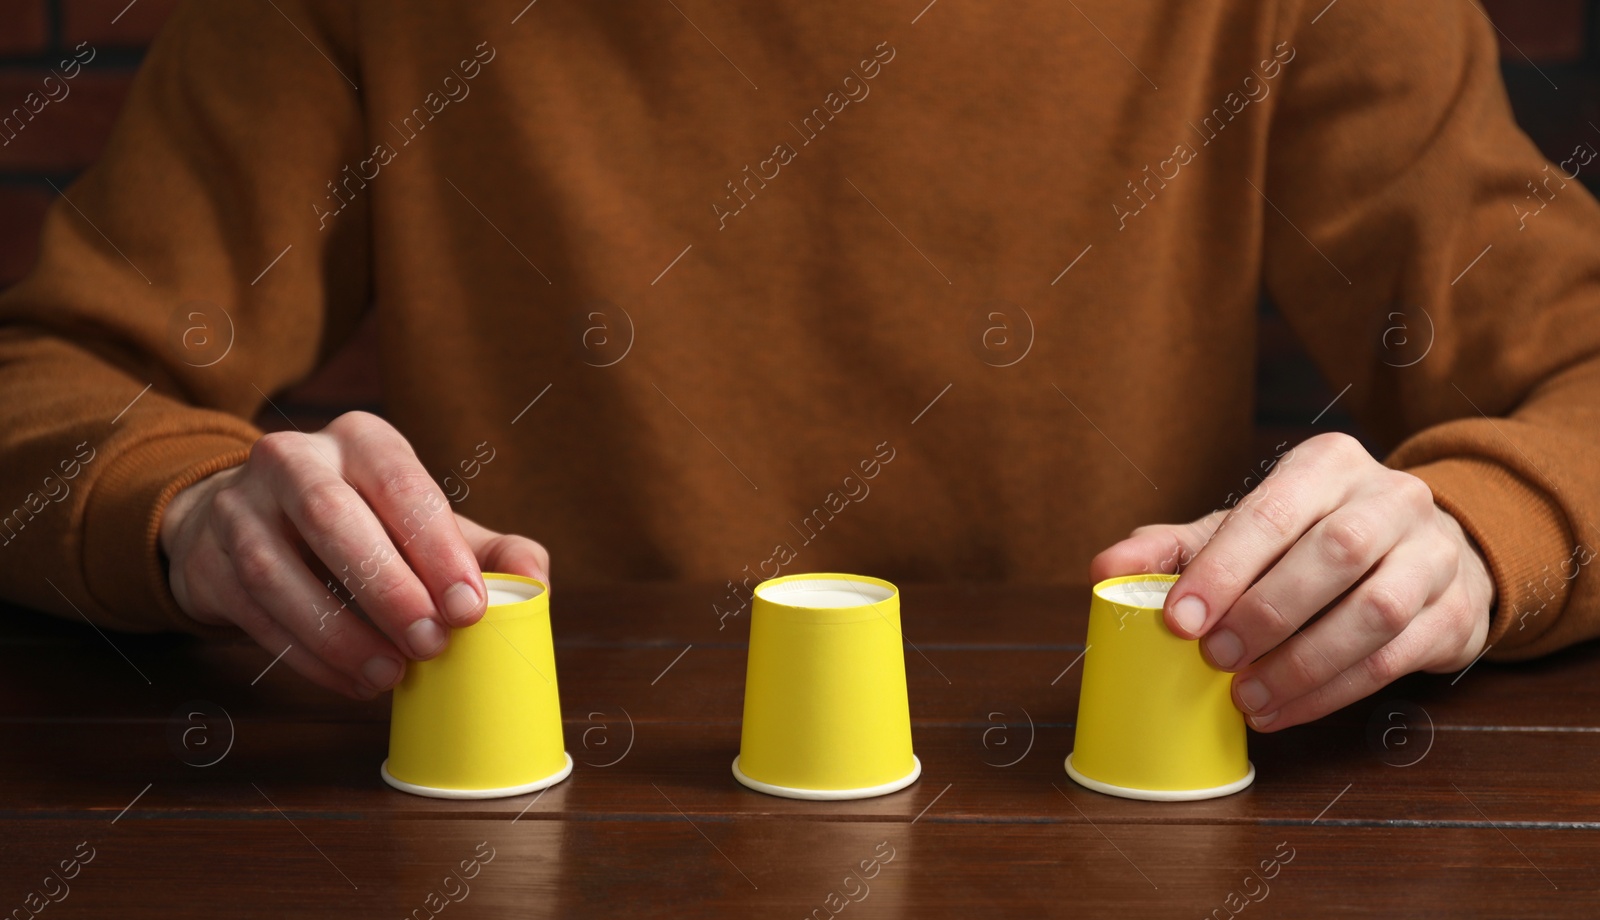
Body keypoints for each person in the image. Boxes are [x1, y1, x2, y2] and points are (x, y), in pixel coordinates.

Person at [0, 0, 1593, 734]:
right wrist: (186, 506)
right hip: (511, 871)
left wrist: (1476, 530)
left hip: (1097, 854)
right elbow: (54, 379)